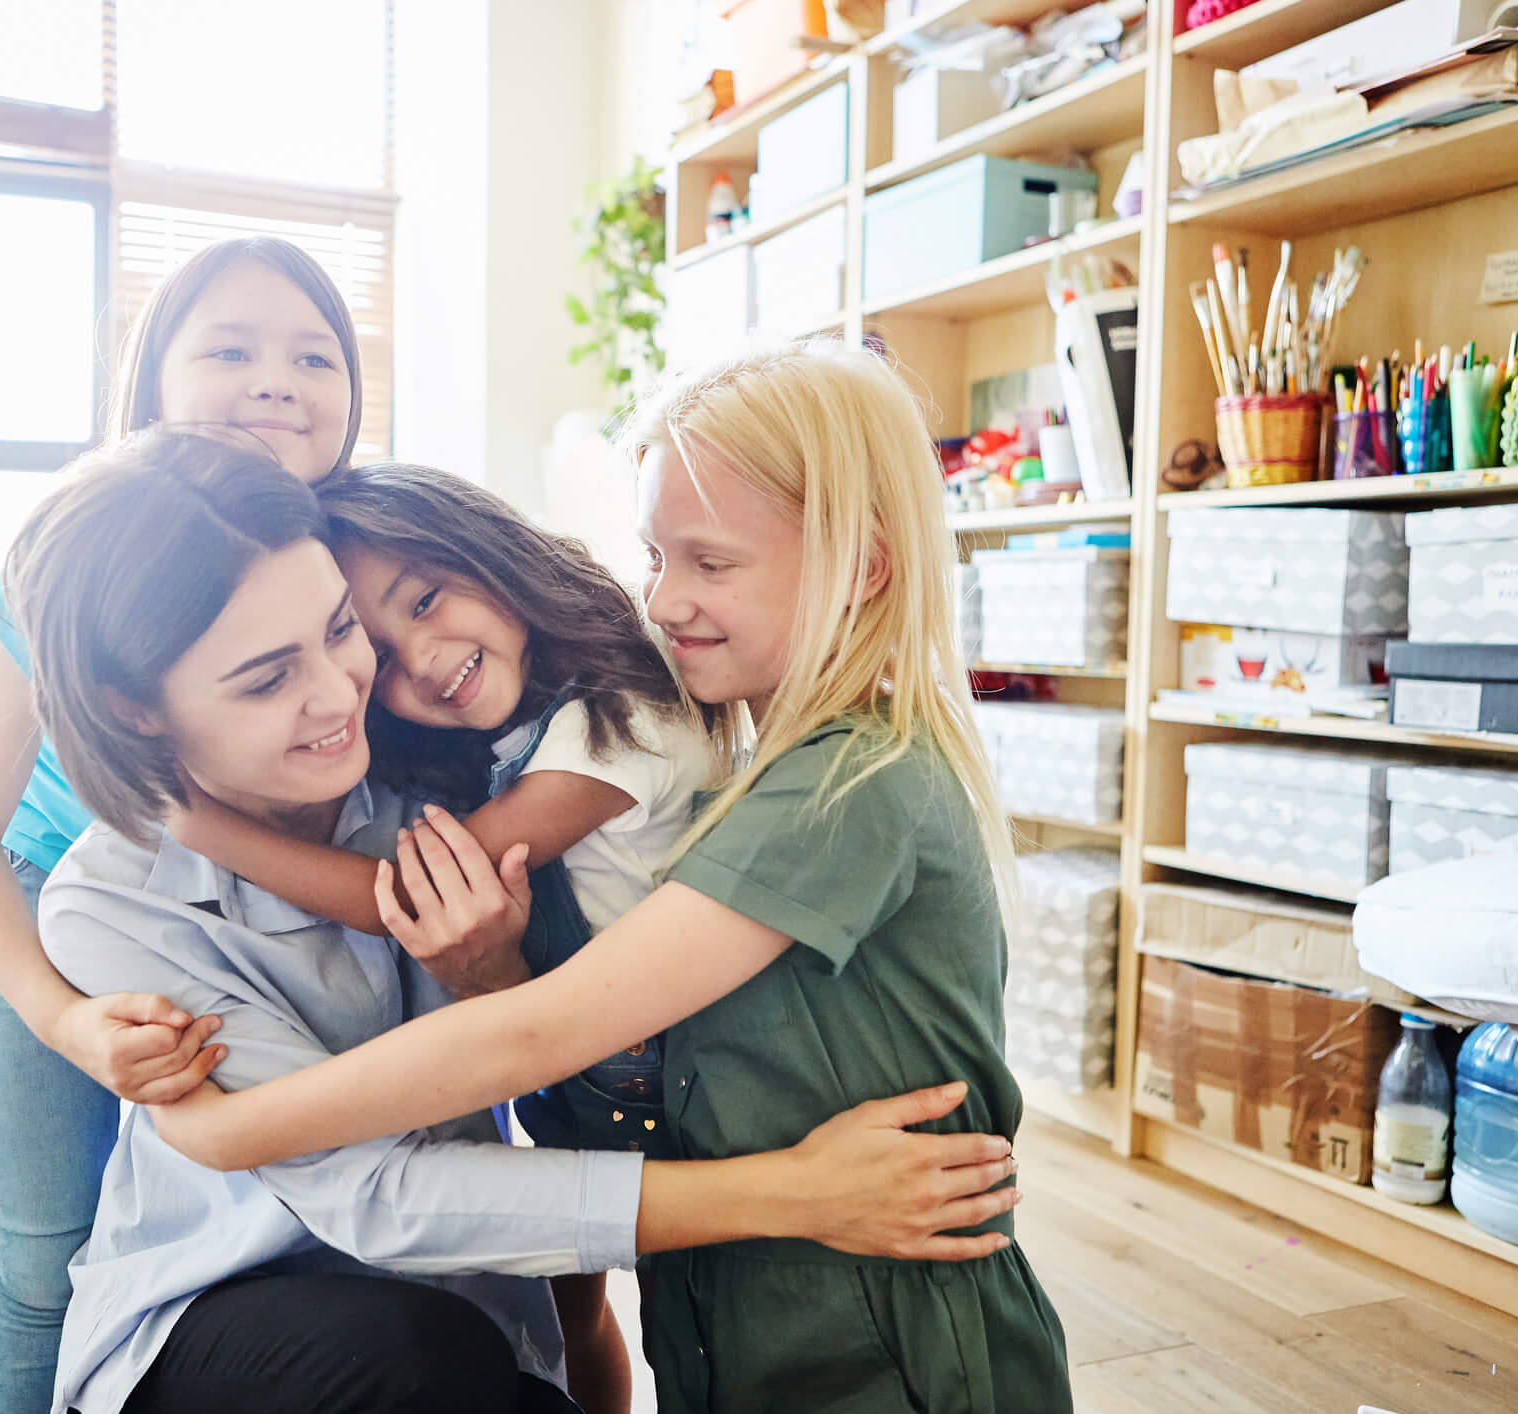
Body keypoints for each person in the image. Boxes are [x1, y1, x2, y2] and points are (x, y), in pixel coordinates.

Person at [136, 340, 1075, 1413]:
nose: (665, 602)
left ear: (863, 567)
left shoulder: (851, 785)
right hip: (744, 1310)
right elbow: (630, 1093)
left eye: (710, 563)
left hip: (890, 1338)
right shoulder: (745, 761)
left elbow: (540, 1034)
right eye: (655, 558)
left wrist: (229, 1127)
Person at [0, 235, 361, 1414]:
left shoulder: (363, 553)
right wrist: (62, 1019)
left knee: (320, 1228)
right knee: (51, 1244)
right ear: (149, 381)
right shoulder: (61, 561)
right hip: (61, 936)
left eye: (315, 355)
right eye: (230, 348)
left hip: (268, 925)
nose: (278, 380)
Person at [165, 459, 712, 1413]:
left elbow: (402, 896)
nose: (416, 659)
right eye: (374, 645)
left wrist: (201, 825)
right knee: (572, 1305)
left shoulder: (623, 724)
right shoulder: (528, 726)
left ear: (492, 554)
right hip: (572, 1056)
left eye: (424, 600)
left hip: (656, 1074)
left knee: (685, 1311)